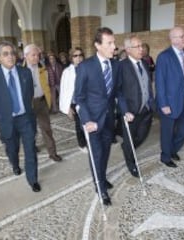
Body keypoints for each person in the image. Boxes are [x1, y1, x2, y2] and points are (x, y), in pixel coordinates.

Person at [74, 27, 125, 205]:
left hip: (109, 119)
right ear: (98, 45)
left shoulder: (116, 65)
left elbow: (118, 91)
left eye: (114, 42)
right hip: (92, 122)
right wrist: (87, 120)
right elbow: (78, 97)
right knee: (96, 155)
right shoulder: (85, 67)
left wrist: (125, 111)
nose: (114, 46)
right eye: (109, 43)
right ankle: (100, 188)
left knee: (105, 153)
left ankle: (101, 178)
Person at [0, 41, 40, 192]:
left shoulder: (25, 72)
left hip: (25, 118)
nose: (10, 57)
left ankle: (33, 179)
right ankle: (15, 165)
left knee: (30, 149)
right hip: (6, 120)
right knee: (12, 149)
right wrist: (1, 112)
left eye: (12, 53)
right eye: (5, 54)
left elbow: (29, 94)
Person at [155, 26, 184, 168]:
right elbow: (160, 81)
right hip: (169, 102)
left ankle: (172, 149)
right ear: (172, 39)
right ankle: (165, 157)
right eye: (181, 36)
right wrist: (163, 104)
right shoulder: (164, 56)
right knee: (167, 131)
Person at [118, 35, 155, 177]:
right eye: (137, 46)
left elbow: (147, 86)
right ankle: (131, 163)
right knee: (129, 140)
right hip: (130, 113)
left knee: (141, 136)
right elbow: (119, 92)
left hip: (146, 110)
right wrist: (125, 111)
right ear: (128, 50)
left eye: (142, 46)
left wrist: (152, 103)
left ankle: (127, 147)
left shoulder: (145, 63)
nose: (141, 49)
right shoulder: (122, 66)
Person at [23, 44, 62, 162]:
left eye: (37, 55)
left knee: (46, 128)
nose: (36, 57)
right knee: (30, 129)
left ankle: (52, 152)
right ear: (26, 56)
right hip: (28, 104)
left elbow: (50, 84)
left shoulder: (43, 67)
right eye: (33, 55)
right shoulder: (21, 70)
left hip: (42, 101)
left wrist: (51, 100)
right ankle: (31, 148)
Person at [59, 47, 87, 153]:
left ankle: (89, 141)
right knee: (79, 126)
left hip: (86, 102)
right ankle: (82, 144)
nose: (78, 58)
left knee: (88, 123)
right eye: (75, 56)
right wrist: (67, 108)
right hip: (75, 103)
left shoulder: (87, 69)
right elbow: (64, 91)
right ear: (71, 58)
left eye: (80, 55)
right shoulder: (67, 72)